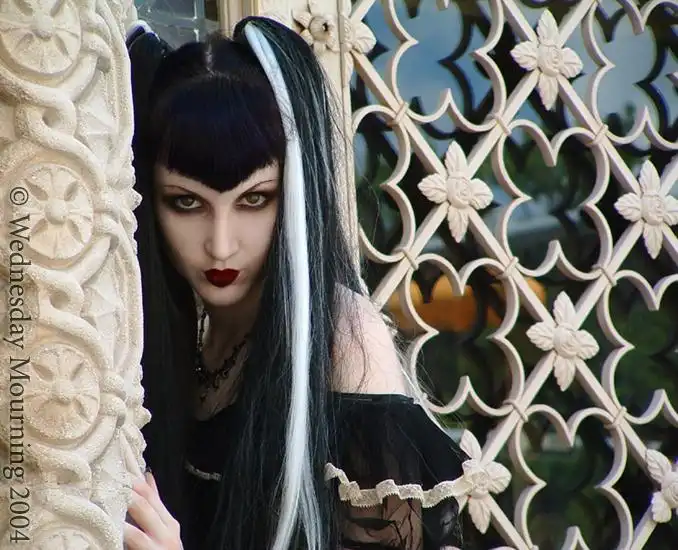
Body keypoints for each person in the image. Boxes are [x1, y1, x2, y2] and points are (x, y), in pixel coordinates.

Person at [123, 15, 467, 550]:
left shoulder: (343, 340)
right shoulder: (187, 336)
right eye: (186, 202)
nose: (220, 244)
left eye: (254, 199)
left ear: (294, 198)